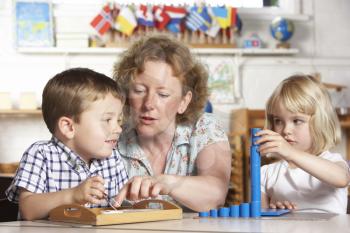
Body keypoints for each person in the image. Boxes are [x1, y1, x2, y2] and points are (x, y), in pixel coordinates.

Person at [112, 35, 231, 212]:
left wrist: (167, 183)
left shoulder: (205, 128)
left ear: (184, 101)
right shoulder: (113, 133)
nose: (148, 104)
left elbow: (216, 195)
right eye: (139, 91)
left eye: (163, 94)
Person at [5, 68, 128, 220]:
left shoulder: (112, 158)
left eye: (118, 120)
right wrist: (72, 195)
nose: (118, 128)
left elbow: (121, 207)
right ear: (69, 127)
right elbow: (28, 210)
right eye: (108, 120)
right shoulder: (41, 154)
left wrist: (135, 197)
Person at [256, 74, 350, 214]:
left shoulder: (333, 161)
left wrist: (291, 153)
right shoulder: (266, 174)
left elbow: (341, 179)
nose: (286, 130)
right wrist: (273, 211)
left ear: (320, 122)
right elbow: (260, 221)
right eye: (278, 121)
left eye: (297, 121)